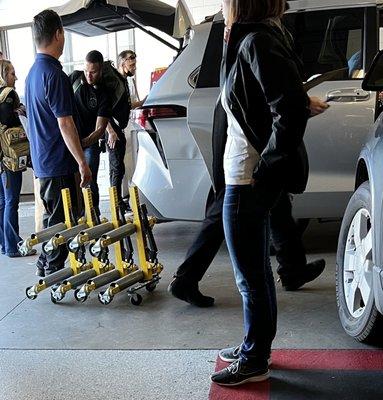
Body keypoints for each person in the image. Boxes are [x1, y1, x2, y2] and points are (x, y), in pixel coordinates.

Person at [168, 5, 329, 308]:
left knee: (267, 207)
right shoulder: (254, 37)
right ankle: (188, 277)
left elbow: (265, 91)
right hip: (244, 142)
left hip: (250, 142)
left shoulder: (250, 32)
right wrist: (294, 106)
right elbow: (259, 96)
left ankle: (291, 268)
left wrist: (296, 100)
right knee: (232, 221)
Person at [207, 0, 322, 385]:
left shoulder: (257, 40)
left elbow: (287, 108)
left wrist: (268, 166)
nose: (220, 6)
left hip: (247, 178)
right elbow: (276, 99)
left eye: (225, 2)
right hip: (244, 175)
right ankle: (255, 346)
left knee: (249, 277)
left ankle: (255, 359)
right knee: (255, 273)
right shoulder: (252, 38)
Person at [25, 9, 92, 277]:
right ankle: (51, 271)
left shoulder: (32, 74)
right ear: (58, 34)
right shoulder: (55, 75)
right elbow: (65, 123)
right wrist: (82, 162)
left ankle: (46, 264)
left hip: (44, 161)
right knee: (63, 221)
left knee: (53, 219)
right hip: (59, 163)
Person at [0, 60, 36, 257]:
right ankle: (13, 247)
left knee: (3, 202)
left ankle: (6, 244)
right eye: (12, 73)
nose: (16, 77)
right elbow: (7, 119)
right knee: (12, 201)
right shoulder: (8, 94)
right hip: (9, 158)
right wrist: (18, 112)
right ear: (4, 74)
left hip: (0, 159)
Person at [69, 50, 111, 215]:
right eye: (86, 71)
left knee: (89, 179)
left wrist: (82, 143)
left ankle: (94, 215)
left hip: (89, 143)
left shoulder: (104, 93)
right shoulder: (75, 78)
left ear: (100, 70)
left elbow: (100, 129)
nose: (89, 75)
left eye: (93, 72)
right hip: (70, 139)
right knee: (72, 181)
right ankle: (78, 216)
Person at [105, 52, 132, 205]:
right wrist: (110, 131)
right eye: (131, 64)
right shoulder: (113, 81)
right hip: (113, 131)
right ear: (122, 62)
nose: (134, 67)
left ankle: (119, 202)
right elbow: (103, 109)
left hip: (119, 130)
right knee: (116, 167)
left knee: (119, 167)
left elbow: (126, 106)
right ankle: (116, 204)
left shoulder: (122, 81)